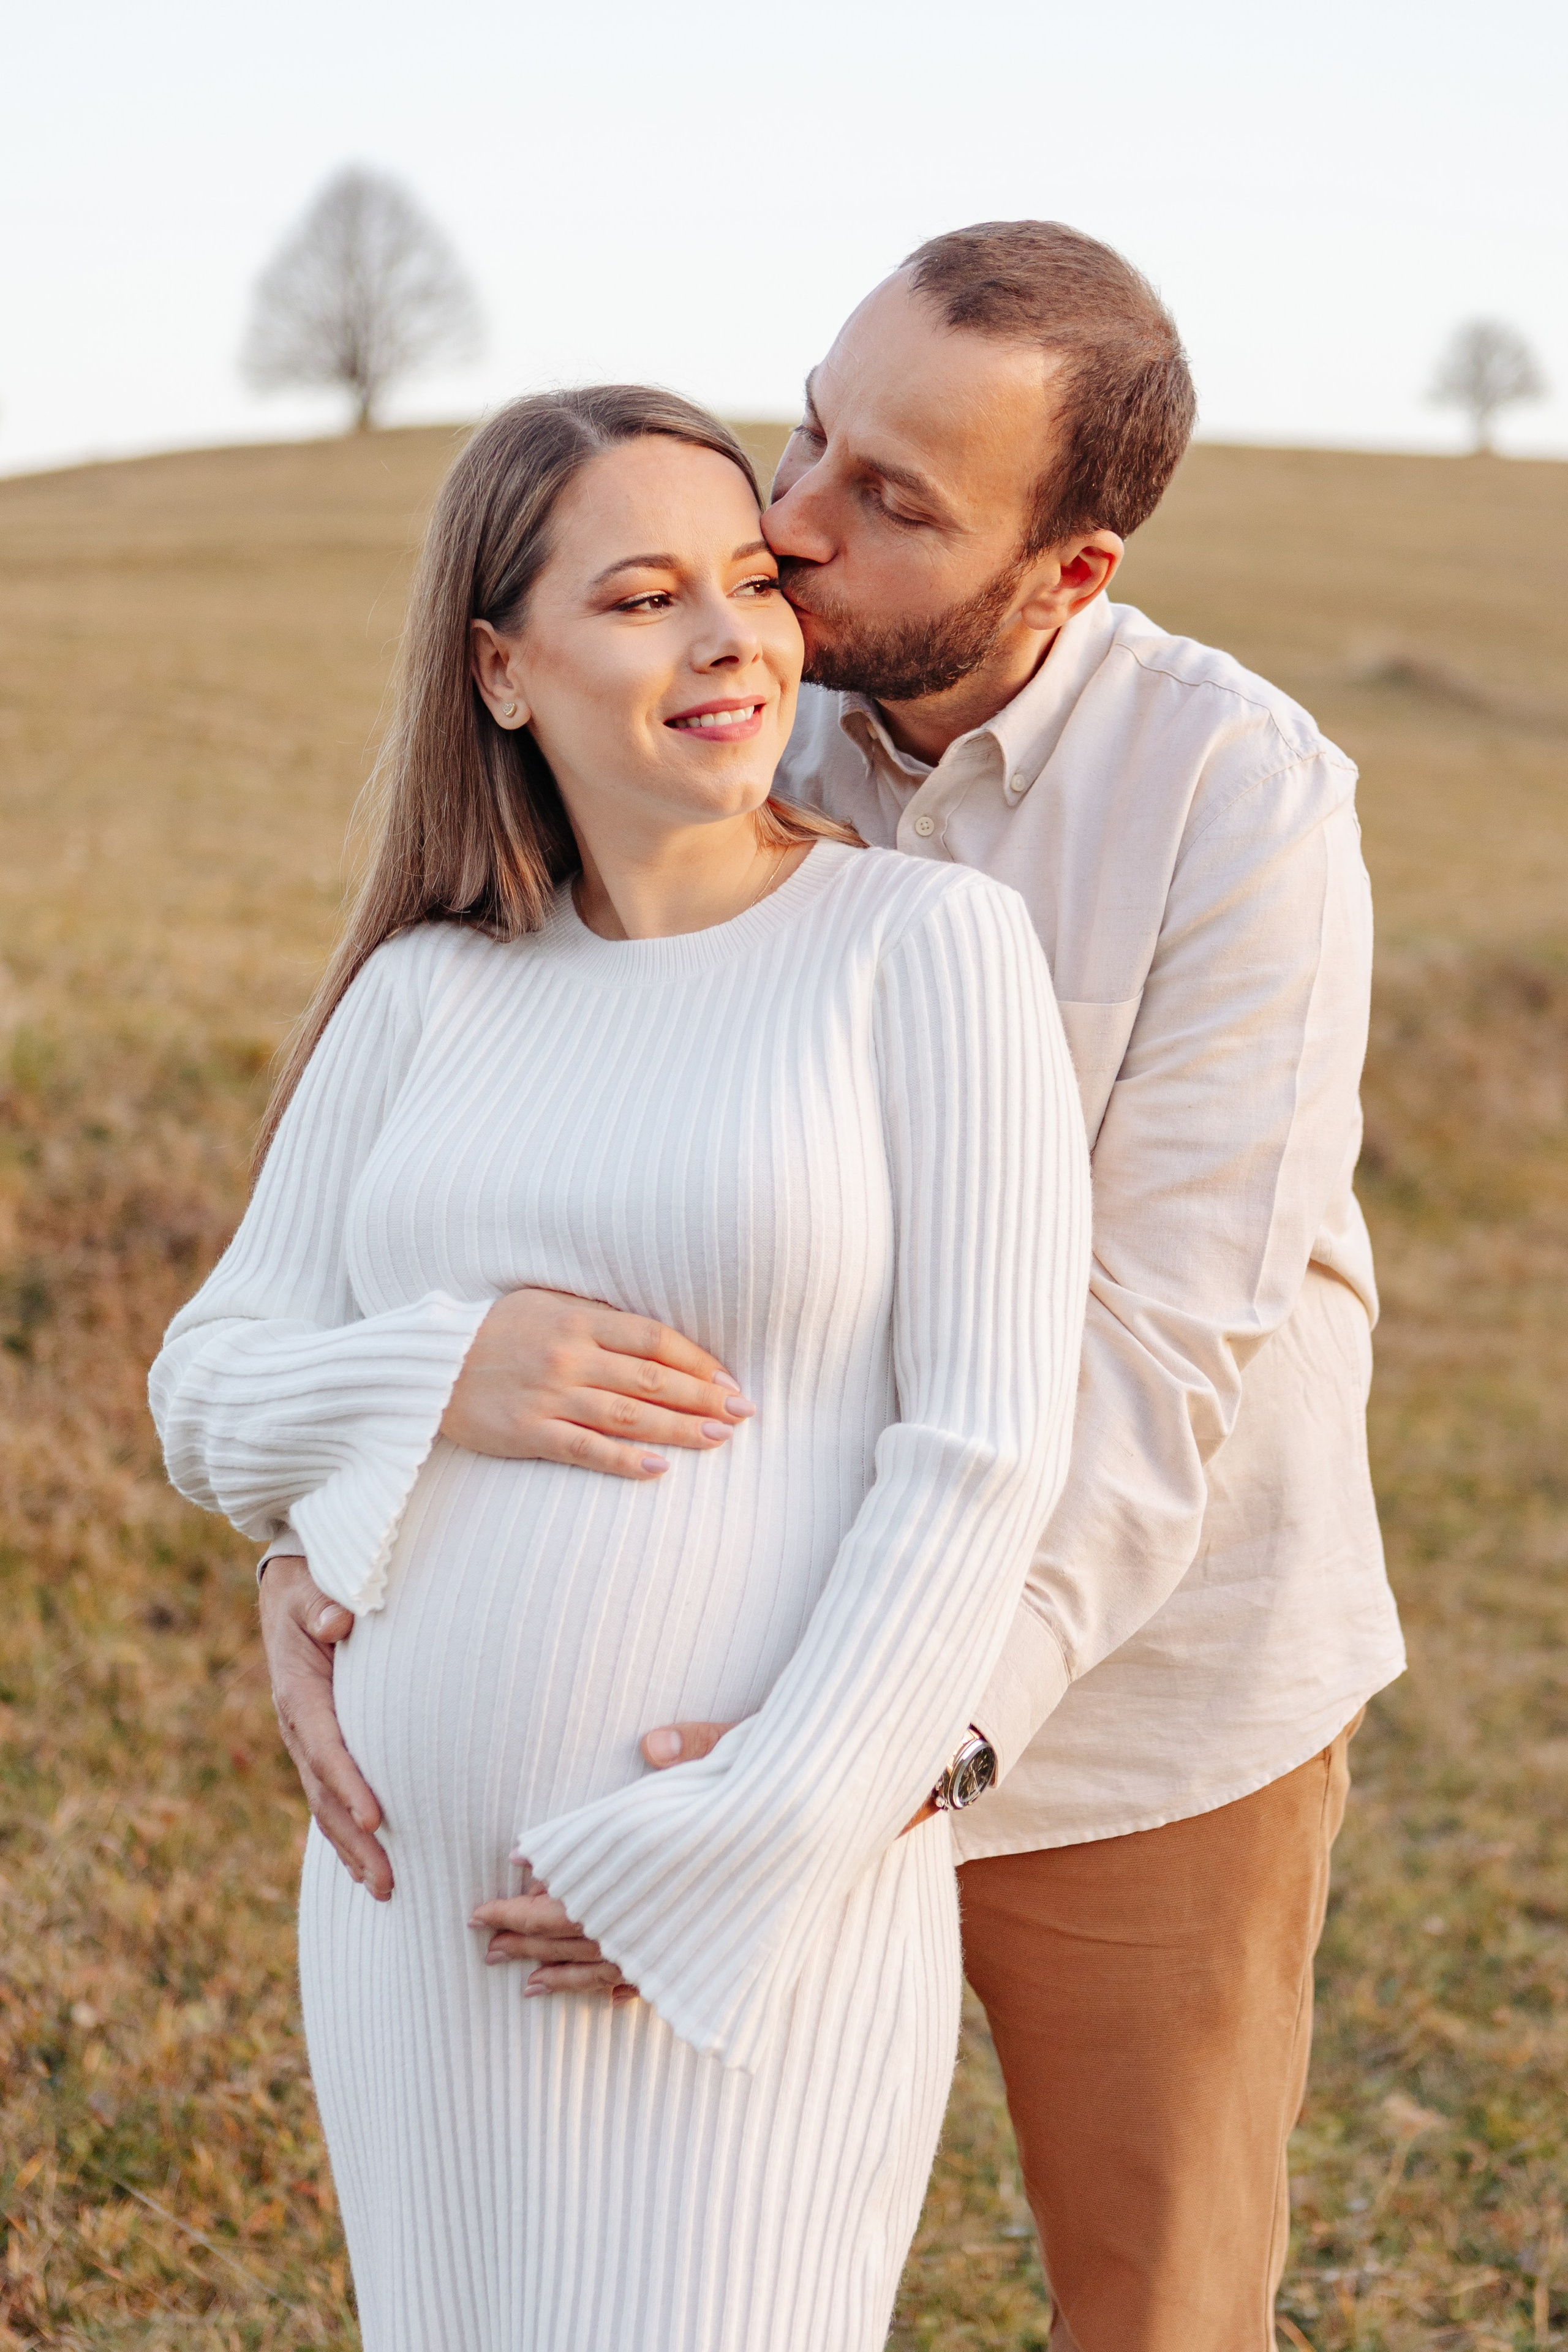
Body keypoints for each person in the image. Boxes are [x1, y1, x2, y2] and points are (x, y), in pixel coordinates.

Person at [261, 221, 1406, 2349]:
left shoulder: (1233, 801)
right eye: (811, 431)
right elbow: (512, 1192)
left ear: (1070, 574)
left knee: (1154, 2306)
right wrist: (336, 1522)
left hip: (1134, 1693)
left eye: (895, 503)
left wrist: (892, 1747)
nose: (788, 530)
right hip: (712, 1686)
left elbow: (1155, 1351)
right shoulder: (723, 709)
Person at [149, 385, 1090, 2352]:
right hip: (415, 1929)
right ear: (502, 669)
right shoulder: (428, 996)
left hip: (756, 1914)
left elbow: (983, 1451)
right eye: (646, 595)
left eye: (749, 580)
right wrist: (436, 1371)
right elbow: (210, 1386)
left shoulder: (925, 951)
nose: (731, 636)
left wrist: (749, 1840)